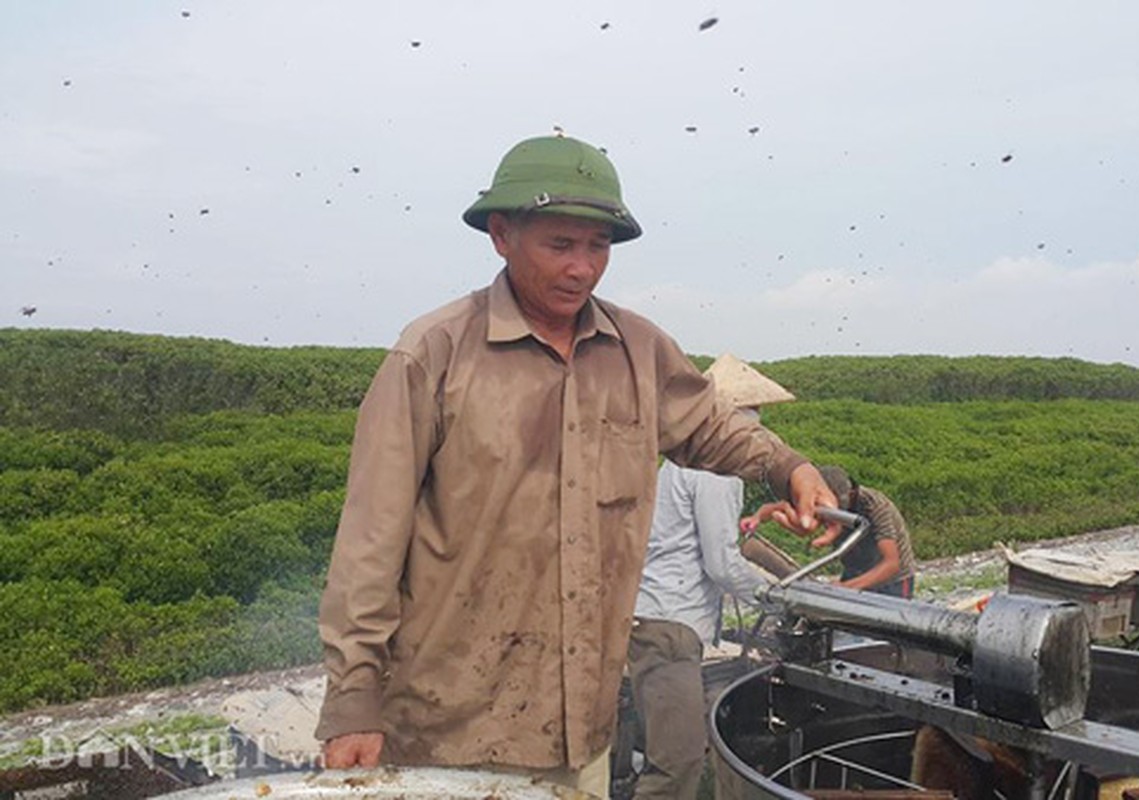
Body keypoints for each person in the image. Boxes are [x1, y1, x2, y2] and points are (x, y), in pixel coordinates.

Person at [313, 133, 840, 793]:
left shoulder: (637, 351)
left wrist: (787, 467)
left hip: (580, 730)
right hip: (449, 733)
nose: (582, 269)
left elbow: (708, 423)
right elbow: (369, 541)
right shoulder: (433, 356)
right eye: (560, 245)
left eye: (598, 247)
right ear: (501, 235)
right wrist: (353, 698)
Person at [627, 353, 794, 800]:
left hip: (653, 616)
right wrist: (779, 598)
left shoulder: (679, 463)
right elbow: (721, 564)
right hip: (671, 623)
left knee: (655, 748)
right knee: (677, 763)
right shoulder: (718, 471)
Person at [743, 464, 917, 597]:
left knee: (885, 637)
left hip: (893, 579)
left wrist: (848, 587)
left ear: (852, 493)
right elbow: (778, 507)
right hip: (855, 568)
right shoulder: (814, 500)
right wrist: (756, 518)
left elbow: (891, 564)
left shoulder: (875, 507)